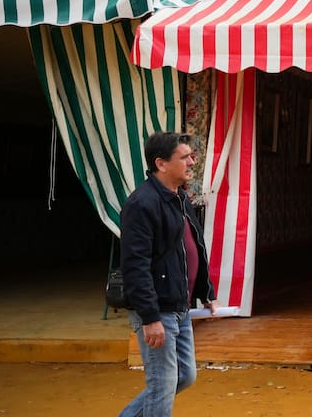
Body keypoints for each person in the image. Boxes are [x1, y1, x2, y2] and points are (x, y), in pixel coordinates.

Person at [120, 132, 216, 417]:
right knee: (162, 385)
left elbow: (191, 247)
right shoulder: (141, 204)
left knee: (184, 375)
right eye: (185, 157)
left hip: (178, 306)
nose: (192, 162)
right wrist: (149, 317)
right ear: (161, 164)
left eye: (191, 156)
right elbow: (135, 265)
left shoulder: (179, 197)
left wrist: (204, 291)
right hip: (158, 309)